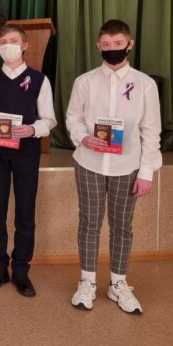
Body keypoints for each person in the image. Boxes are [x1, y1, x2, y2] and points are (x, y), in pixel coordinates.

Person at [66, 19, 161, 315]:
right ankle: (87, 281)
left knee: (122, 226)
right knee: (89, 223)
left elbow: (151, 130)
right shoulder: (84, 81)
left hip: (128, 166)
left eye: (118, 44)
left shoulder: (145, 84)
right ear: (98, 46)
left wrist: (146, 172)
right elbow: (73, 117)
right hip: (89, 163)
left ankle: (118, 283)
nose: (112, 49)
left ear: (129, 44)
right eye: (106, 45)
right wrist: (83, 138)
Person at [0, 24, 57, 297]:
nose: (8, 46)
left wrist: (33, 129)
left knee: (25, 212)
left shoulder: (38, 79)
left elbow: (49, 119)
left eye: (13, 41)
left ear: (24, 45)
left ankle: (22, 269)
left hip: (26, 151)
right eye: (3, 41)